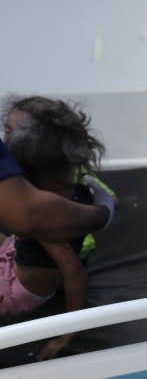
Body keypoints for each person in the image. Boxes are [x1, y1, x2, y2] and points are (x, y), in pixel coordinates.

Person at [1, 96, 110, 360]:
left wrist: (65, 334)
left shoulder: (47, 220)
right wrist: (106, 204)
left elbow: (74, 272)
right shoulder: (80, 190)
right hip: (14, 258)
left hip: (12, 291)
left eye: (9, 130)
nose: (4, 137)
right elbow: (110, 200)